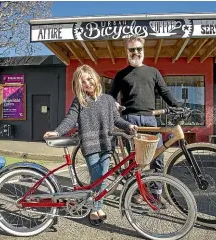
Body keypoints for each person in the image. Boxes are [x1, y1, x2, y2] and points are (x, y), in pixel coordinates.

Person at [43, 65, 137, 225]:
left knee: (104, 177)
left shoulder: (108, 99)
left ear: (95, 78)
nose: (87, 83)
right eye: (83, 82)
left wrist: (128, 126)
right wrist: (58, 132)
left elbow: (116, 119)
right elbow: (70, 119)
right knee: (97, 178)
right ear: (79, 86)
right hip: (90, 145)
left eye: (89, 78)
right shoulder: (80, 101)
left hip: (107, 144)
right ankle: (95, 209)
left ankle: (97, 205)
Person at [110, 35, 180, 202]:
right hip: (130, 120)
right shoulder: (121, 75)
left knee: (157, 157)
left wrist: (176, 106)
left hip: (150, 120)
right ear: (127, 52)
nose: (136, 52)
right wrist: (115, 105)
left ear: (143, 50)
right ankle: (136, 191)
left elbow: (164, 91)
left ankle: (156, 193)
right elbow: (111, 96)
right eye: (132, 49)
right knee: (135, 160)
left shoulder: (153, 72)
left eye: (138, 49)